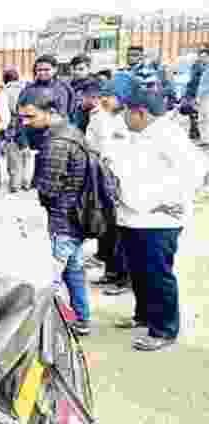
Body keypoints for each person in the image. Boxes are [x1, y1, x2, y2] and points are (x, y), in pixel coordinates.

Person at [107, 76, 208, 350]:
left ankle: (164, 329)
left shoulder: (169, 135)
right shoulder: (138, 134)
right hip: (132, 215)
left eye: (126, 112)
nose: (123, 117)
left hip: (157, 220)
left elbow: (197, 171)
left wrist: (167, 201)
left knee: (156, 273)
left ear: (140, 112)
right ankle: (143, 316)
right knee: (139, 271)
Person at [18, 90, 91, 336]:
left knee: (52, 280)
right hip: (77, 219)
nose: (26, 123)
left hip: (63, 221)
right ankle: (81, 319)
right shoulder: (72, 132)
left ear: (50, 113)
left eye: (30, 117)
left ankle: (58, 324)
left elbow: (49, 188)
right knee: (75, 272)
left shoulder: (57, 142)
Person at [84, 79, 131, 296]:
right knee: (108, 228)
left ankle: (122, 278)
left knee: (119, 230)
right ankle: (112, 272)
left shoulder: (126, 119)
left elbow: (112, 149)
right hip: (103, 175)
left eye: (108, 96)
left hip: (117, 178)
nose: (103, 99)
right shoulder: (101, 116)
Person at [2, 67, 33, 193]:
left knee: (14, 156)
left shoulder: (4, 92)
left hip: (13, 126)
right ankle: (27, 182)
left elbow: (4, 113)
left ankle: (15, 184)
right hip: (28, 124)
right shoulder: (27, 88)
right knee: (27, 155)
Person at [184, 47, 209, 143]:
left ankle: (205, 138)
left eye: (205, 57)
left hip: (205, 96)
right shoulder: (204, 68)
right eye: (201, 57)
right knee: (202, 118)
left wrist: (198, 96)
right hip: (202, 96)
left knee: (205, 118)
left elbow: (204, 85)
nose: (203, 59)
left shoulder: (203, 68)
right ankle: (204, 138)